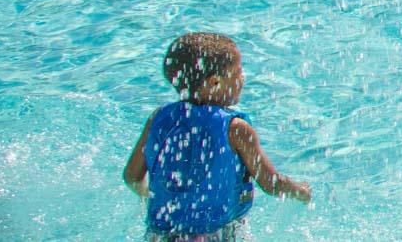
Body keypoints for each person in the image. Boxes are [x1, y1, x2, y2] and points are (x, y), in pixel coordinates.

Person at [123, 32, 311, 241]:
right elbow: (271, 184)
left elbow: (131, 177)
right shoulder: (235, 129)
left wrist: (152, 196)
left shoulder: (157, 119)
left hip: (162, 234)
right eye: (238, 73)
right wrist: (300, 191)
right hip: (217, 234)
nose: (242, 79)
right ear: (214, 82)